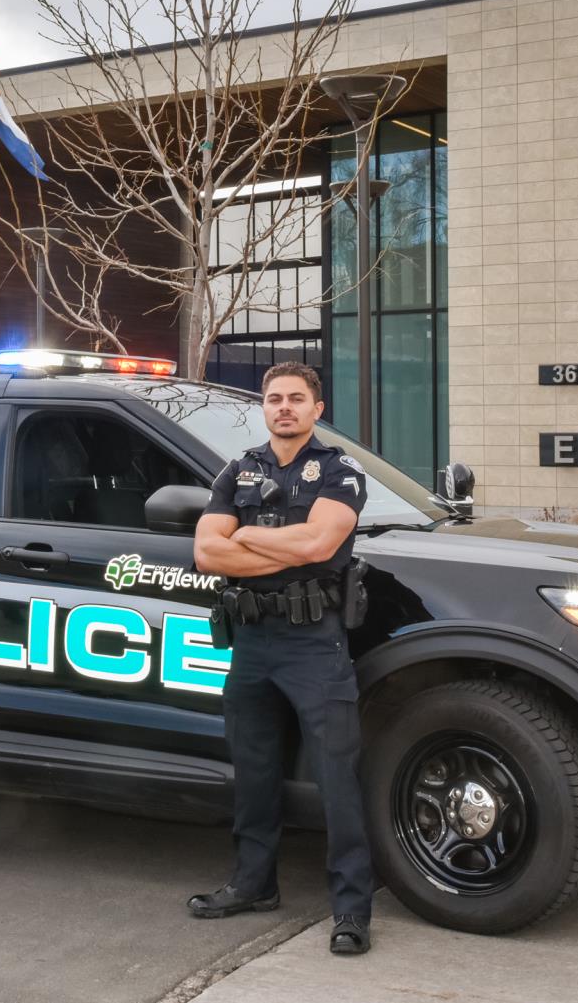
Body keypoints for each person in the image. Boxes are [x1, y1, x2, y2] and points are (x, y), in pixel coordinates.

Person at [189, 361, 375, 956]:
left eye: (297, 398)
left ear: (318, 409)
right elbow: (206, 553)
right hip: (251, 642)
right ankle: (253, 884)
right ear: (263, 408)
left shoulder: (340, 471)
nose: (285, 407)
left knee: (336, 778)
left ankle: (351, 911)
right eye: (274, 399)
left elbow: (321, 544)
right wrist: (279, 547)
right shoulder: (238, 470)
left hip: (313, 643)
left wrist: (244, 535)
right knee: (255, 771)